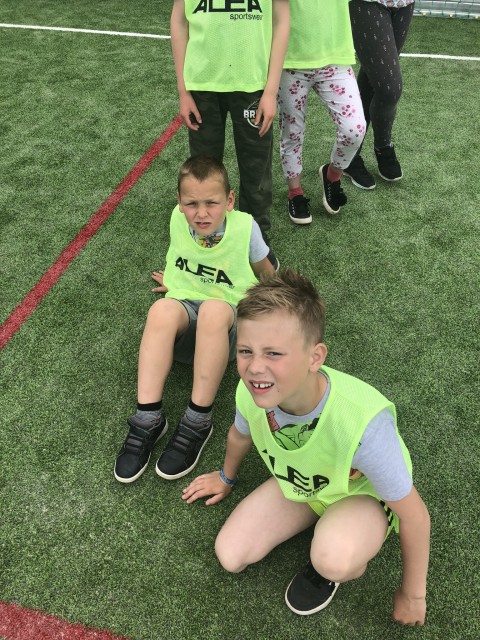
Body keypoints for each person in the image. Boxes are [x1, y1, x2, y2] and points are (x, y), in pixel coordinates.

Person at [183, 269, 430, 625]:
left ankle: (335, 557)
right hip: (305, 484)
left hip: (362, 496)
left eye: (274, 353)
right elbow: (240, 435)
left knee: (332, 559)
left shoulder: (362, 424)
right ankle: (323, 522)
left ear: (315, 357)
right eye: (246, 351)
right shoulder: (251, 394)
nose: (255, 368)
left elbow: (415, 516)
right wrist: (226, 476)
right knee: (230, 553)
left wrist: (412, 594)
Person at [114, 155, 274, 484]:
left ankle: (198, 419)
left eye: (211, 203)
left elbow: (267, 273)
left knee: (214, 310)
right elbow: (184, 258)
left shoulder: (245, 228)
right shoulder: (178, 219)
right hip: (187, 319)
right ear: (179, 202)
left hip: (225, 326)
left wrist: (272, 311)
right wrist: (176, 279)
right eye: (192, 204)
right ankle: (148, 418)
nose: (201, 213)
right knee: (160, 310)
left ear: (229, 200)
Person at [170, 0, 290, 269]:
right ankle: (207, 234)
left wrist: (270, 91)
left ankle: (255, 238)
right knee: (203, 167)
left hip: (253, 84)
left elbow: (281, 20)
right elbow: (179, 20)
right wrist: (183, 90)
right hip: (201, 85)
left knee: (256, 167)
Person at [277, 0, 366, 221]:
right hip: (289, 59)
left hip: (335, 56)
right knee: (292, 132)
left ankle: (332, 176)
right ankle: (295, 192)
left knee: (355, 129)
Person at [344, 0, 416, 190]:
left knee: (374, 76)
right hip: (368, 3)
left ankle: (348, 155)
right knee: (390, 89)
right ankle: (383, 146)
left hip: (405, 3)